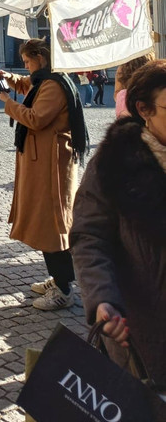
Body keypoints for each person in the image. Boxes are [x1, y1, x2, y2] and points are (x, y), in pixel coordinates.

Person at [70, 60, 166, 399]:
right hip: (142, 334)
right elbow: (89, 237)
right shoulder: (115, 162)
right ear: (144, 109)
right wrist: (102, 298)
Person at [0, 38, 88, 311]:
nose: (25, 66)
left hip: (51, 168)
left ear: (41, 58)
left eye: (27, 61)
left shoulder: (53, 85)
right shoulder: (48, 80)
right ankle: (60, 279)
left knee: (52, 224)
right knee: (47, 222)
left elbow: (35, 117)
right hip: (44, 162)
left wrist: (6, 101)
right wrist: (10, 78)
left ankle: (63, 289)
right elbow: (29, 85)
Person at [113, 52, 155, 118]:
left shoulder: (122, 69)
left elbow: (117, 93)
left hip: (127, 116)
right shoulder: (154, 67)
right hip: (149, 113)